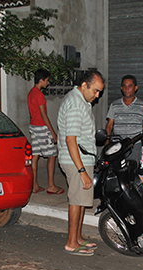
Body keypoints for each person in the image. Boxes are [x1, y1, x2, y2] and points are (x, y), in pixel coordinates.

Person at [58, 69, 105, 256]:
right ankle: (71, 242)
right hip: (75, 160)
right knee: (76, 201)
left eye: (100, 91)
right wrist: (81, 170)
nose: (97, 95)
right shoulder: (76, 104)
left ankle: (77, 237)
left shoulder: (82, 101)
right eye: (95, 90)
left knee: (81, 200)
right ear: (84, 85)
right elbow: (71, 140)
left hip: (82, 158)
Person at [27, 68, 64, 195]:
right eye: (47, 80)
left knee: (35, 156)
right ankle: (51, 186)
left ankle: (34, 185)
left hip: (33, 126)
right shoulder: (39, 95)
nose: (48, 83)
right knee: (52, 155)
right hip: (41, 127)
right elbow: (43, 115)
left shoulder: (31, 93)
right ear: (41, 80)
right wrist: (53, 132)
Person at [105, 74, 143, 163]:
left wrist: (141, 129)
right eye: (124, 86)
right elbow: (109, 125)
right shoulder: (114, 105)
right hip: (117, 145)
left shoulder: (142, 105)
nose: (126, 89)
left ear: (136, 88)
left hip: (134, 145)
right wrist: (107, 141)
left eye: (130, 86)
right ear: (121, 88)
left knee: (132, 170)